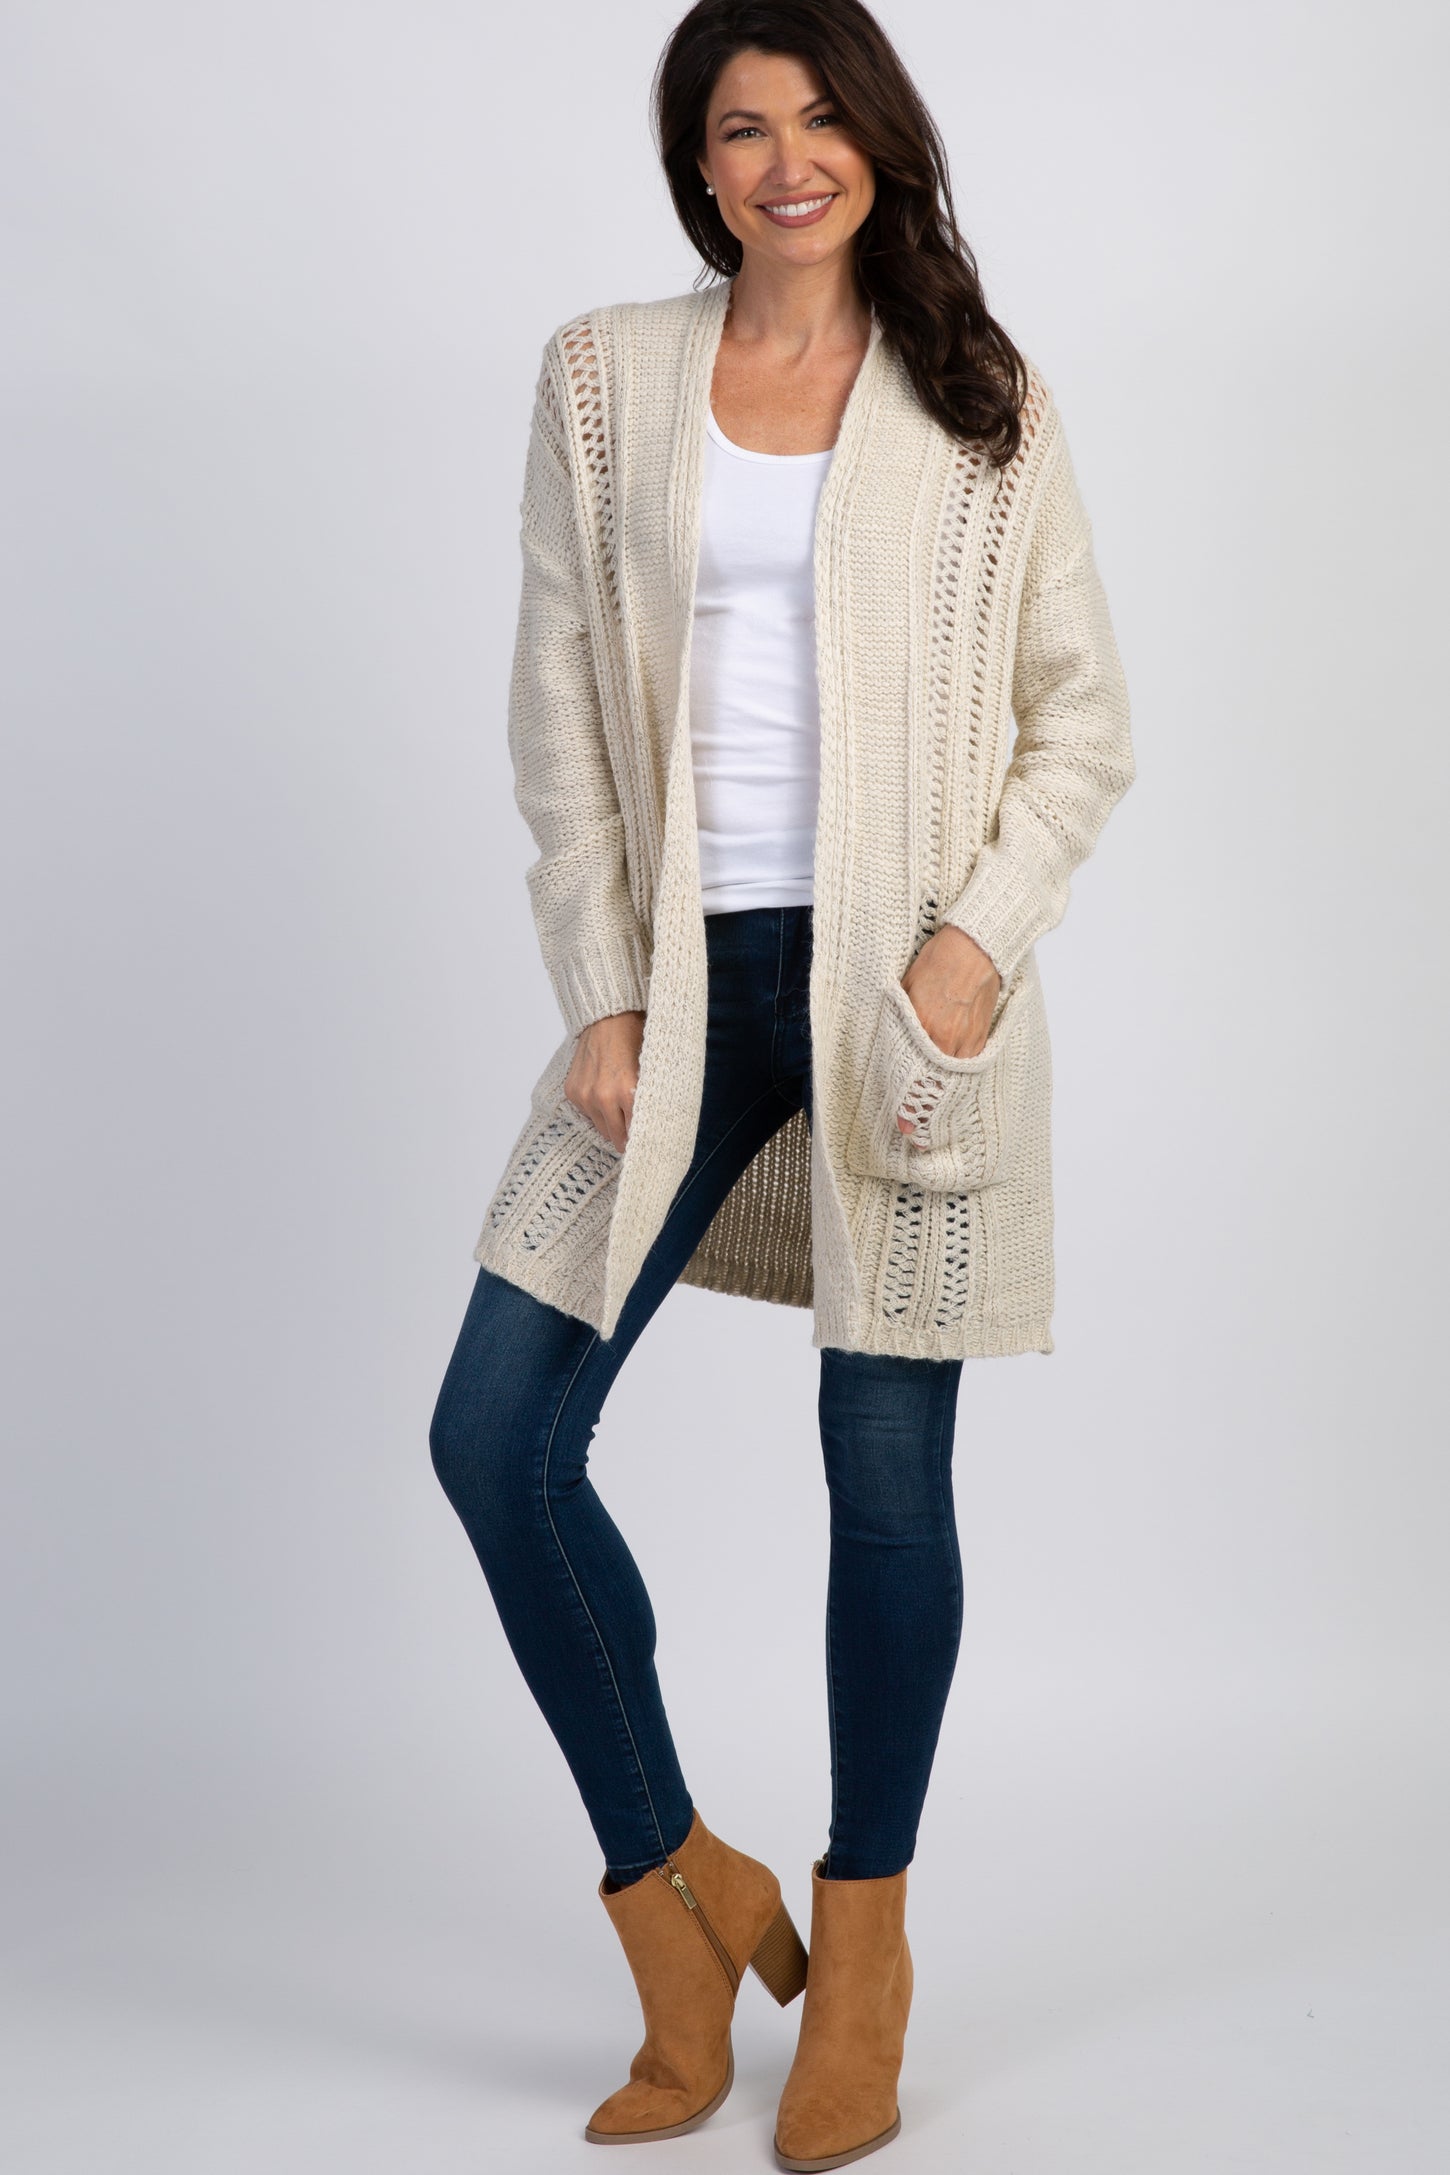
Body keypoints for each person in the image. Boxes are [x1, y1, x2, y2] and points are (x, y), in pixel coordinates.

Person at [428, 1, 1135, 2164]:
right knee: (494, 1436)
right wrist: (599, 989)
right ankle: (679, 1898)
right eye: (741, 127)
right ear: (698, 165)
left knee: (881, 1474)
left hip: (899, 1010)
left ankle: (866, 1949)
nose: (786, 157)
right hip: (677, 992)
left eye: (822, 115)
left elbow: (1080, 724)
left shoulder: (980, 397)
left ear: (878, 139)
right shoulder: (600, 377)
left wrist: (962, 949)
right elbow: (557, 701)